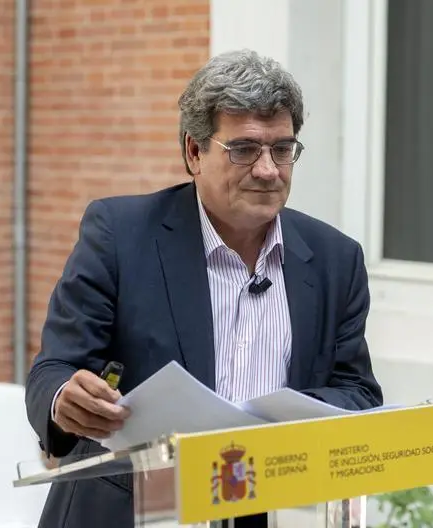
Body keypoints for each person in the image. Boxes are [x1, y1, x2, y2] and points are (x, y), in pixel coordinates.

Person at [25, 48, 383, 528]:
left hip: (258, 508)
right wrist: (64, 399)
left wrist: (276, 421)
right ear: (194, 152)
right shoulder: (120, 235)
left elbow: (357, 392)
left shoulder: (336, 259)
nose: (268, 170)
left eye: (282, 149)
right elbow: (54, 369)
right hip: (126, 510)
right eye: (244, 149)